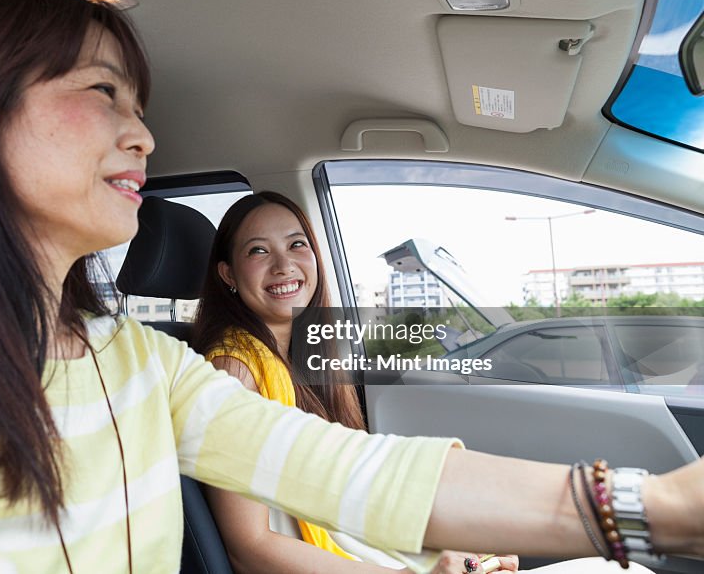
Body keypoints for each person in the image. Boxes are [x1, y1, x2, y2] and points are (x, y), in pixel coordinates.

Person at [0, 0, 704, 574]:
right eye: (101, 93)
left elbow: (348, 472)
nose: (144, 133)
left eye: (141, 105)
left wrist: (643, 510)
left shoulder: (137, 362)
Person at [191, 191, 661, 573]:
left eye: (297, 244)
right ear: (228, 274)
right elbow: (249, 546)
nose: (284, 265)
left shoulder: (300, 357)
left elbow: (352, 495)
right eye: (258, 250)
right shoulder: (233, 371)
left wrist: (460, 553)